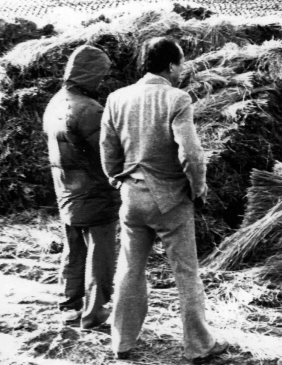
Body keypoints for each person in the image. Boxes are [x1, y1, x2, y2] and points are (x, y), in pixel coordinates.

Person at [100, 37, 227, 363]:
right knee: (186, 272)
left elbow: (108, 150)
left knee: (129, 269)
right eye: (181, 63)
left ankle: (122, 342)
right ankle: (199, 346)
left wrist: (118, 178)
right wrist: (198, 188)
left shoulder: (117, 98)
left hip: (131, 197)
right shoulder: (177, 98)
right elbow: (191, 154)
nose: (182, 69)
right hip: (170, 200)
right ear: (171, 65)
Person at [43, 45, 120, 330]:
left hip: (65, 188)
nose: (102, 80)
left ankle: (69, 307)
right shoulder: (89, 109)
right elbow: (107, 154)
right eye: (100, 73)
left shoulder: (55, 103)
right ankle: (96, 312)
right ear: (91, 73)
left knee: (73, 249)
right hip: (94, 192)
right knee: (102, 253)